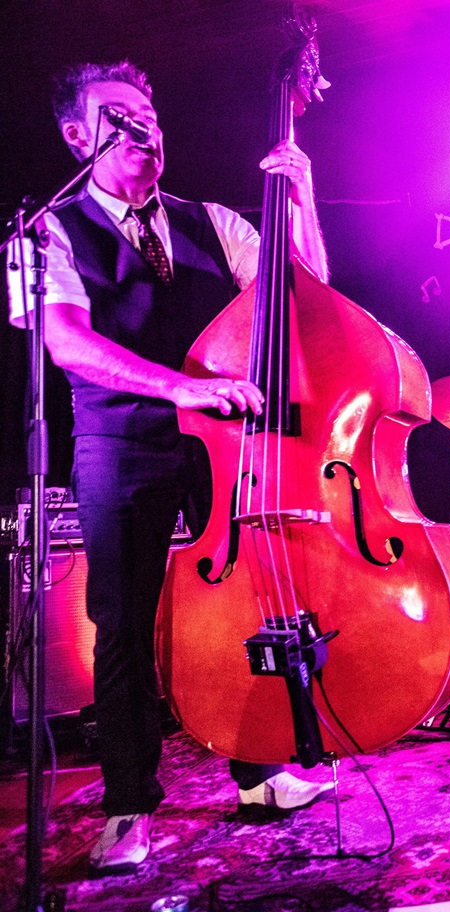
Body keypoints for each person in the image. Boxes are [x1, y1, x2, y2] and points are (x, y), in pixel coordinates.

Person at [6, 61, 334, 874]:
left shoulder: (213, 221)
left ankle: (260, 773)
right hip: (120, 441)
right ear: (78, 136)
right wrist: (182, 387)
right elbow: (67, 343)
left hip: (222, 447)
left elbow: (308, 299)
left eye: (150, 114)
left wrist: (305, 202)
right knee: (124, 624)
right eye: (118, 115)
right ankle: (128, 806)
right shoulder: (46, 231)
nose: (143, 128)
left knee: (248, 607)